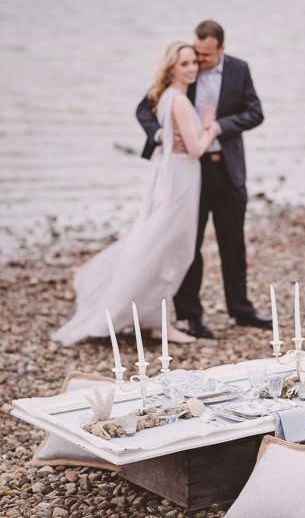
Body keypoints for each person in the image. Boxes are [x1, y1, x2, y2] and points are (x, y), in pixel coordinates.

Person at [52, 41, 217, 345]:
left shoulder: (168, 97)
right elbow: (195, 149)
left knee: (168, 248)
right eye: (185, 64)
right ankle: (153, 320)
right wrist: (210, 129)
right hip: (181, 178)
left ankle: (155, 319)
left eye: (194, 62)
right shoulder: (178, 100)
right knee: (169, 249)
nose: (192, 68)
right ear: (171, 67)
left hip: (176, 175)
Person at [136, 20, 272, 339]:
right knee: (189, 244)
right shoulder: (184, 68)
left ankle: (240, 309)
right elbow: (145, 109)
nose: (199, 61)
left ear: (221, 49)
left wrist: (219, 126)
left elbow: (256, 113)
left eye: (206, 55)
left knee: (233, 243)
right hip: (190, 173)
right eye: (196, 53)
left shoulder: (240, 69)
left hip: (227, 169)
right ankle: (190, 315)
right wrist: (160, 135)